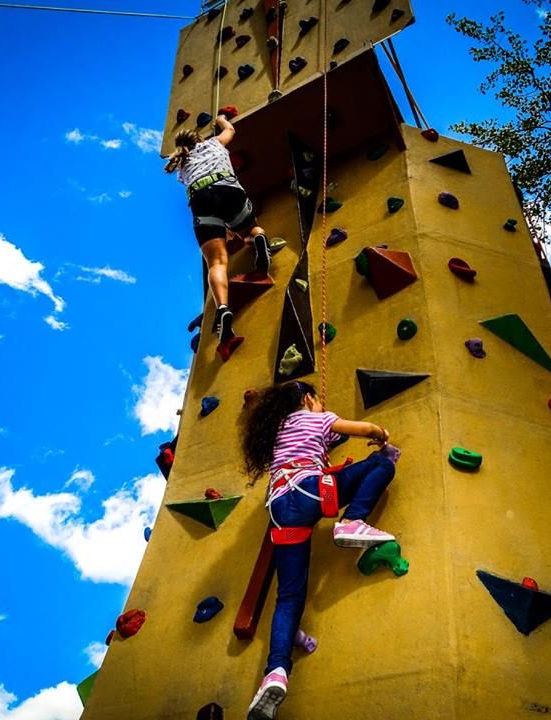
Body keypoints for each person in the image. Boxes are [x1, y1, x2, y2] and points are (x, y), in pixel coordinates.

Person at [242, 380, 400, 719]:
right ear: (307, 399)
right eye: (317, 399)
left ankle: (276, 673)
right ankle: (352, 520)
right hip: (310, 490)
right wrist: (380, 433)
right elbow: (360, 428)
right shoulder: (315, 417)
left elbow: (327, 440)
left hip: (280, 510)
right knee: (380, 464)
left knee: (289, 597)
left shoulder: (278, 433)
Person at [164, 114, 271, 347]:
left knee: (217, 263)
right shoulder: (214, 143)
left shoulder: (182, 164)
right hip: (228, 189)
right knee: (248, 228)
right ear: (200, 138)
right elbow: (230, 130)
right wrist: (220, 119)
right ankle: (257, 236)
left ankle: (222, 308)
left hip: (201, 199)